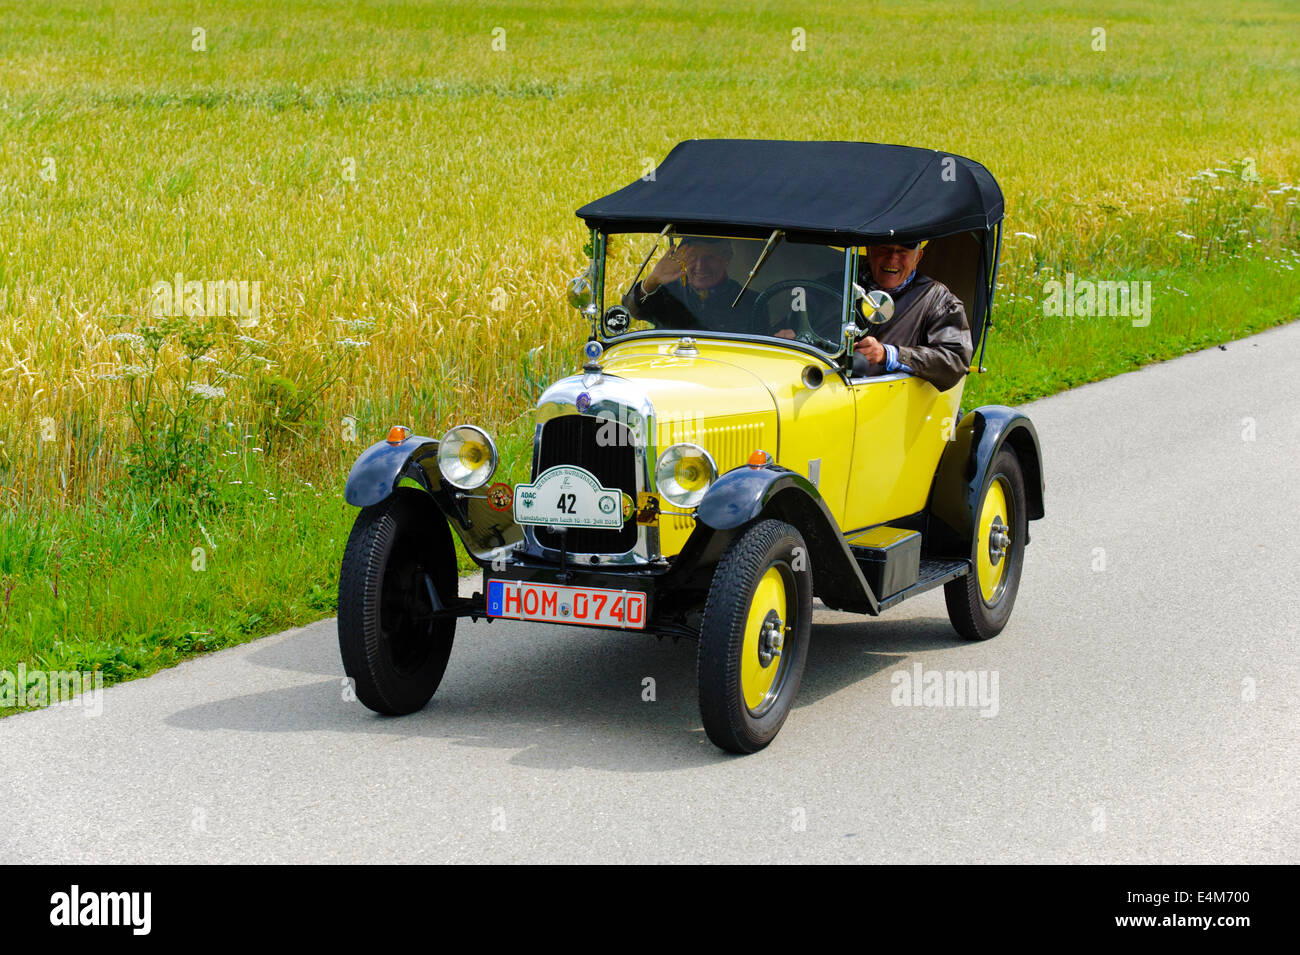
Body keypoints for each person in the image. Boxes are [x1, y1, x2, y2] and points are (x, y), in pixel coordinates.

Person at [779, 239, 973, 392]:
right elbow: (792, 328)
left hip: (888, 408)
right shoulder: (833, 285)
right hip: (816, 389)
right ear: (869, 250)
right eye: (884, 249)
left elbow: (955, 360)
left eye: (902, 252)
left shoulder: (938, 301)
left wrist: (889, 354)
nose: (892, 259)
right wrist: (787, 336)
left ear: (918, 257)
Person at [623, 236, 758, 333]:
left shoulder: (749, 301)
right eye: (692, 258)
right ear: (681, 260)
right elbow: (632, 310)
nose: (700, 266)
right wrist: (652, 280)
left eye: (709, 258)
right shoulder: (668, 293)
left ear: (726, 258)